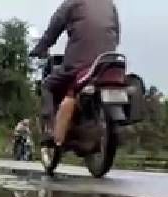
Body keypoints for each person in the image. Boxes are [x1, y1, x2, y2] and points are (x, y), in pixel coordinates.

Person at [29, 0, 121, 149]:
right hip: (107, 61)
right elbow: (117, 34)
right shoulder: (109, 4)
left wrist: (41, 48)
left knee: (47, 85)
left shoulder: (72, 3)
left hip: (80, 62)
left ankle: (50, 130)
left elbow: (55, 26)